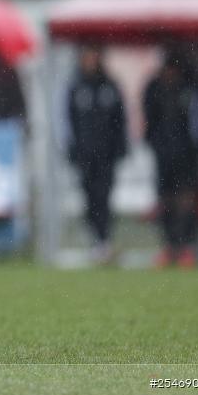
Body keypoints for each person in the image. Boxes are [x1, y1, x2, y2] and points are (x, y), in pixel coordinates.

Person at [66, 46, 127, 264]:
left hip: (106, 155)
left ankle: (105, 240)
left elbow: (120, 121)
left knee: (104, 197)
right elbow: (68, 122)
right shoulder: (76, 88)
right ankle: (95, 240)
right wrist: (73, 150)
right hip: (85, 156)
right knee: (90, 198)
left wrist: (120, 147)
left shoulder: (110, 87)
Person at [143, 52, 198, 268]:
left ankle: (186, 246)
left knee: (185, 199)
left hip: (186, 153)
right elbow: (149, 119)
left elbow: (196, 123)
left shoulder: (189, 89)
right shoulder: (154, 89)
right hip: (163, 153)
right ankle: (169, 246)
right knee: (165, 199)